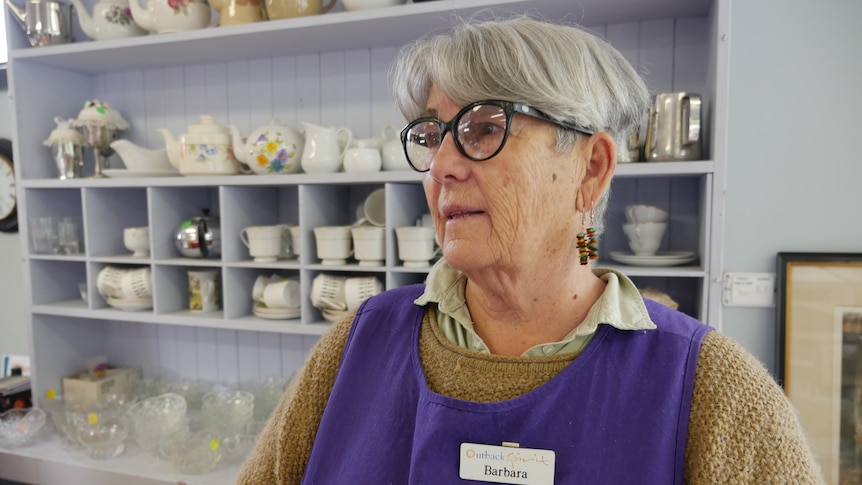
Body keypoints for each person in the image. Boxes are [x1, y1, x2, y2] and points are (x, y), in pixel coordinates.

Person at [237, 15, 824, 484]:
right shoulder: (360, 341)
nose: (441, 166)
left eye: (484, 127)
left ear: (590, 168)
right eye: (432, 135)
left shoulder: (711, 390)